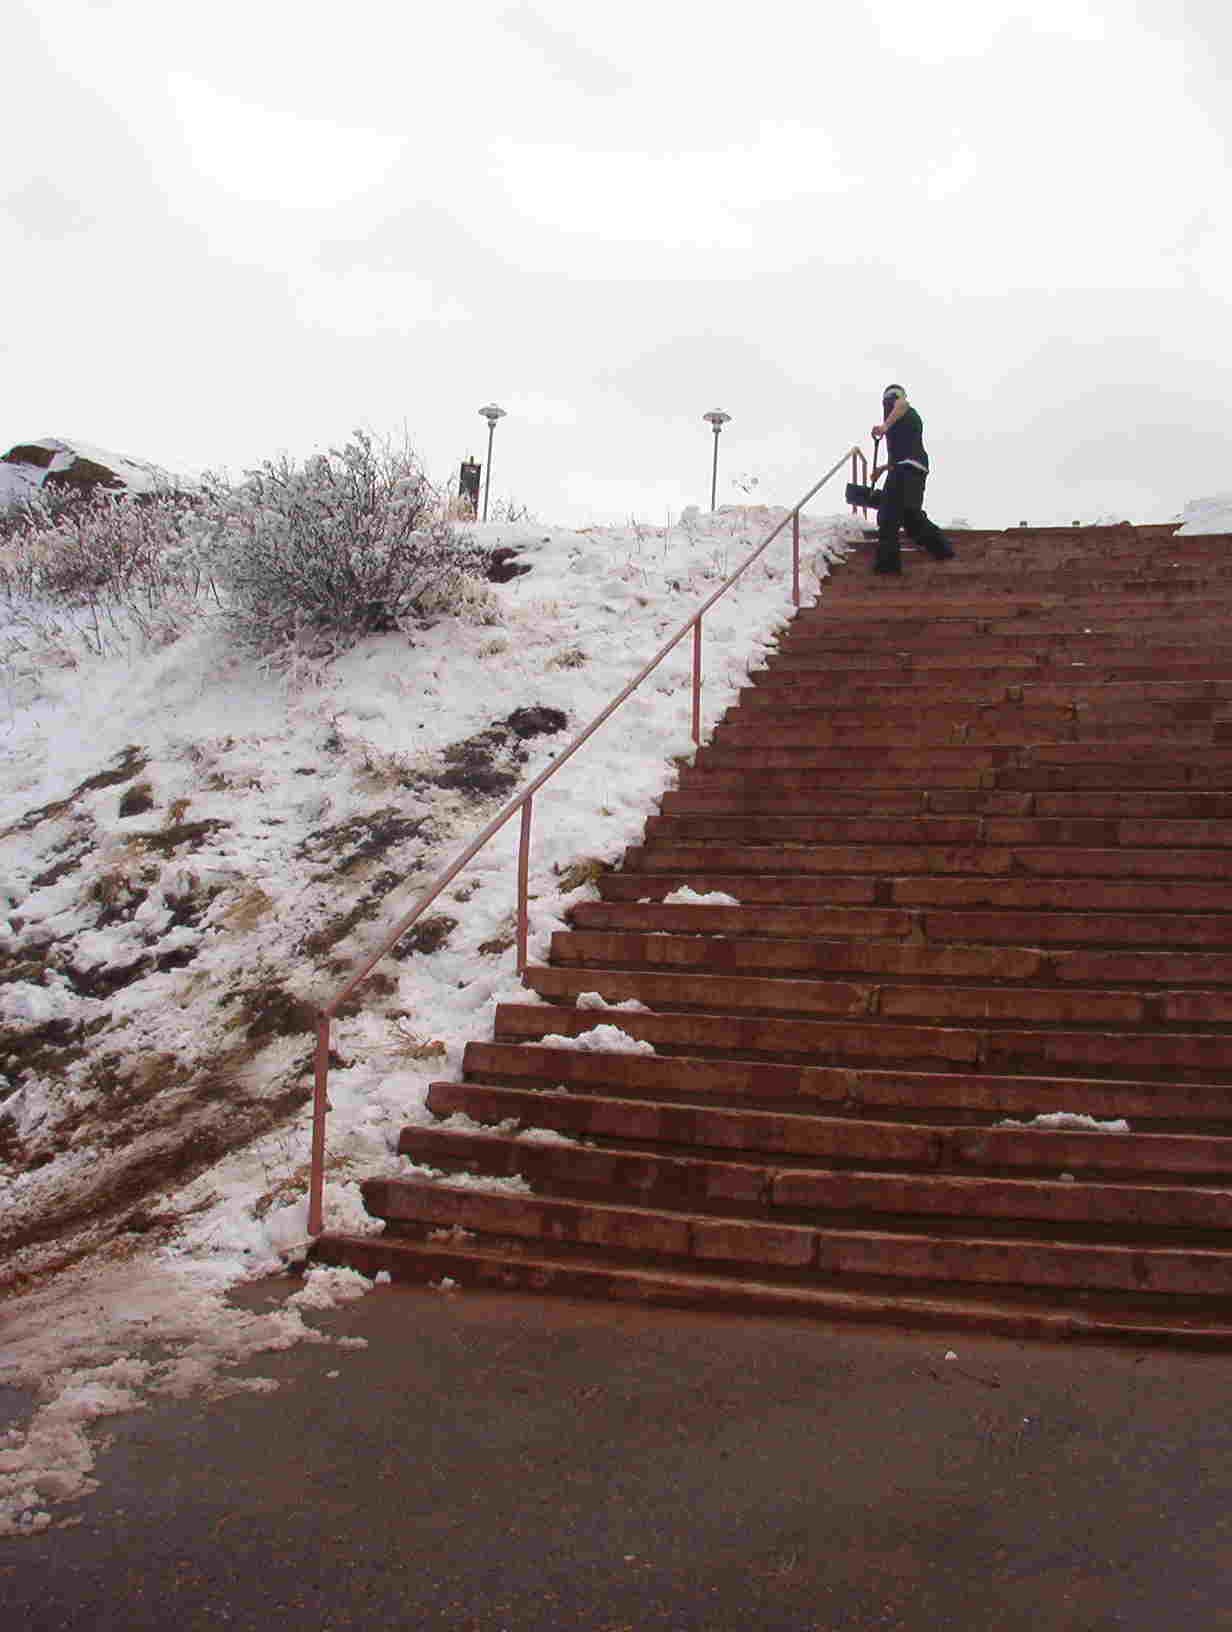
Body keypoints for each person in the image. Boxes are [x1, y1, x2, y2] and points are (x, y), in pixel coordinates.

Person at [870, 385, 955, 574]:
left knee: (888, 515)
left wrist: (884, 426)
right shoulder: (901, 424)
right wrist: (882, 469)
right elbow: (902, 453)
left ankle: (887, 568)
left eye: (889, 398)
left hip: (905, 469)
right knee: (910, 516)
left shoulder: (901, 408)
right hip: (914, 468)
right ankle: (942, 549)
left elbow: (901, 404)